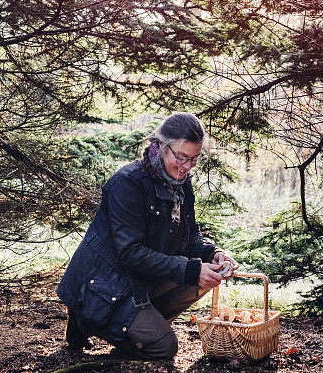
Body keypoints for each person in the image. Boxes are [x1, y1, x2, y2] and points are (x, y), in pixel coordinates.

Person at [56, 112, 238, 359]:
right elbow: (131, 253)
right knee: (164, 347)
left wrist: (212, 253)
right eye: (181, 157)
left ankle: (139, 323)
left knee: (202, 281)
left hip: (140, 280)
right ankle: (87, 320)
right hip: (108, 284)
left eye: (194, 160)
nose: (186, 167)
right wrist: (192, 270)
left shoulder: (180, 183)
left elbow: (190, 235)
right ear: (162, 145)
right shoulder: (127, 182)